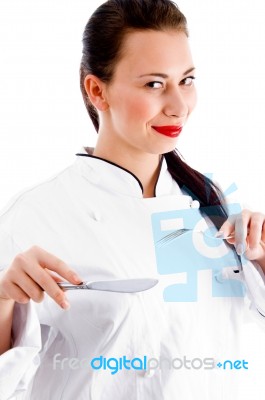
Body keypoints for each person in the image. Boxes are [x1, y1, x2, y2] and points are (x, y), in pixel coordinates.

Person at [0, 0, 265, 399]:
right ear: (96, 90)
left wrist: (261, 258)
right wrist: (3, 300)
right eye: (154, 84)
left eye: (187, 80)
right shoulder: (37, 215)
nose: (179, 106)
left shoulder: (213, 206)